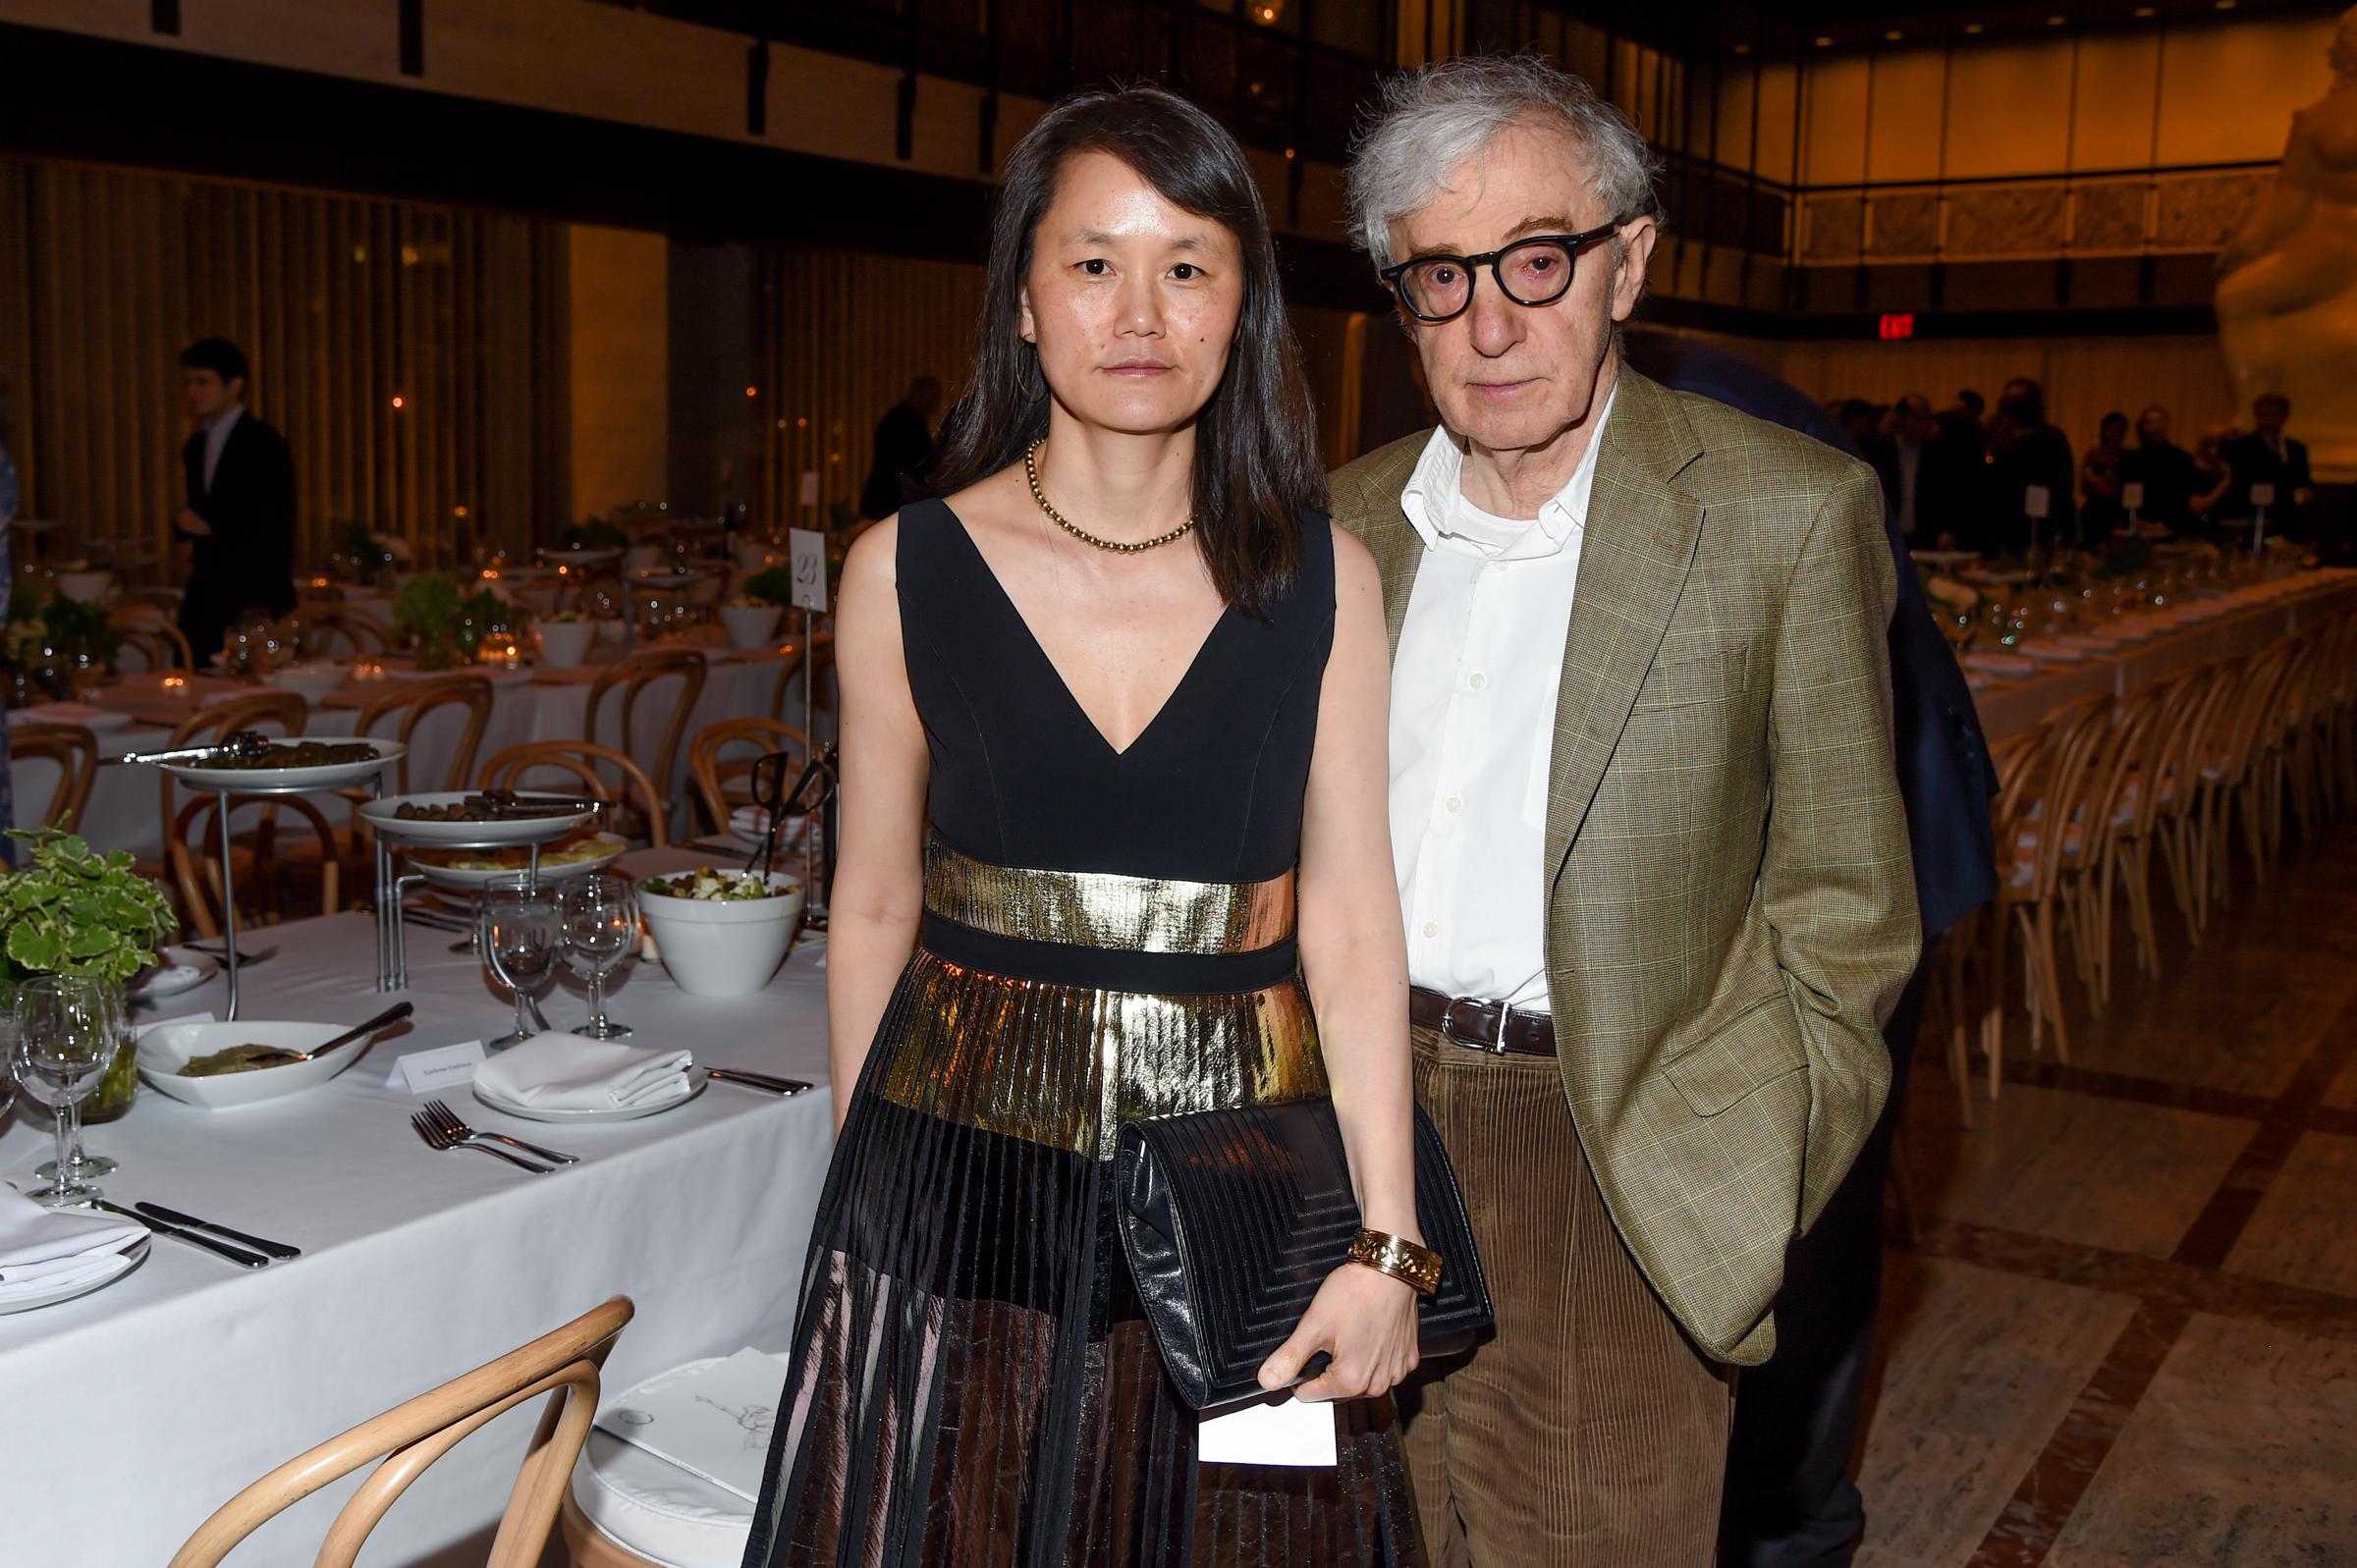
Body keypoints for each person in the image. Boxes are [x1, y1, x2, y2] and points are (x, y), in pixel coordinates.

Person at [740, 85, 1427, 1568]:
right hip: (968, 1160)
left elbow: (1357, 923)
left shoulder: (1329, 581)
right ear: (1026, 303)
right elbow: (869, 906)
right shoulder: (901, 569)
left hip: (1249, 1184)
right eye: (1094, 260)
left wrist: (1386, 1241)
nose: (1140, 309)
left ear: (1242, 309)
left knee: (1238, 1539)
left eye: (1188, 265)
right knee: (975, 1528)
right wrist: (873, 1200)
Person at [1333, 55, 1918, 1568]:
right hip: (1357, 1126)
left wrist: (1751, 1160)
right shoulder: (1340, 526)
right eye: (1441, 277)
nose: (1494, 322)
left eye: (1538, 259)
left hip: (1614, 1142)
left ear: (1630, 262)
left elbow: (1849, 907)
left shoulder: (1784, 514)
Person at [1621, 334, 2000, 1568]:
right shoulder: (1710, 392)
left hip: (1856, 854)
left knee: (1811, 1228)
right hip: (1849, 825)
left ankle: (1789, 1523)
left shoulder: (1710, 430)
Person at [174, 338, 296, 664]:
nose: (193, 392)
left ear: (234, 385)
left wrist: (211, 528)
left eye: (203, 382)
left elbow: (275, 522)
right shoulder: (196, 445)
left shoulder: (264, 443)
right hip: (207, 587)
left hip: (253, 587)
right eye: (188, 383)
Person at [1984, 377, 2075, 552]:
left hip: (2040, 528)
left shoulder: (2052, 439)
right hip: (2000, 529)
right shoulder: (1995, 437)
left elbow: (2063, 487)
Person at [856, 374, 944, 521]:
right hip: (892, 502)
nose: (936, 404)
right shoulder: (903, 423)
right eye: (932, 398)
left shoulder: (903, 420)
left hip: (890, 502)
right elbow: (913, 465)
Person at [2222, 392, 2316, 522]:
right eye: (2262, 416)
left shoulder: (2296, 449)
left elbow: (2304, 482)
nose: (2267, 422)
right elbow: (2242, 483)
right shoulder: (2243, 446)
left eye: (2272, 416)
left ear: (2284, 417)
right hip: (2250, 517)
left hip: (2287, 518)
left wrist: (2304, 494)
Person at [1866, 392, 1938, 541]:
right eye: (1917, 417)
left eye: (1927, 418)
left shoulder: (1937, 455)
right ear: (1899, 418)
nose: (1923, 424)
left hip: (1926, 539)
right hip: (1888, 538)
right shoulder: (1879, 452)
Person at [2118, 405, 2198, 534]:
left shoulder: (2182, 459)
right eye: (2150, 422)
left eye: (2160, 421)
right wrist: (2133, 520)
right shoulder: (2131, 460)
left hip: (2173, 530)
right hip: (2139, 529)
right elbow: (2128, 496)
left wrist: (2167, 524)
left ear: (2167, 425)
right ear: (2143, 428)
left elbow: (2183, 498)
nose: (2156, 427)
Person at [2081, 410, 2131, 538]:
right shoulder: (2094, 454)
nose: (2116, 433)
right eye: (2113, 428)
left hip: (2120, 513)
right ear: (2104, 430)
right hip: (2095, 512)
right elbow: (2085, 486)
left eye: (2121, 429)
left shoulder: (2129, 456)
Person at [2191, 424, 2236, 530]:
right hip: (2201, 530)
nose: (2214, 451)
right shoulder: (2195, 471)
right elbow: (2197, 508)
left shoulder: (2230, 467)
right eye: (2210, 444)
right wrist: (2226, 480)